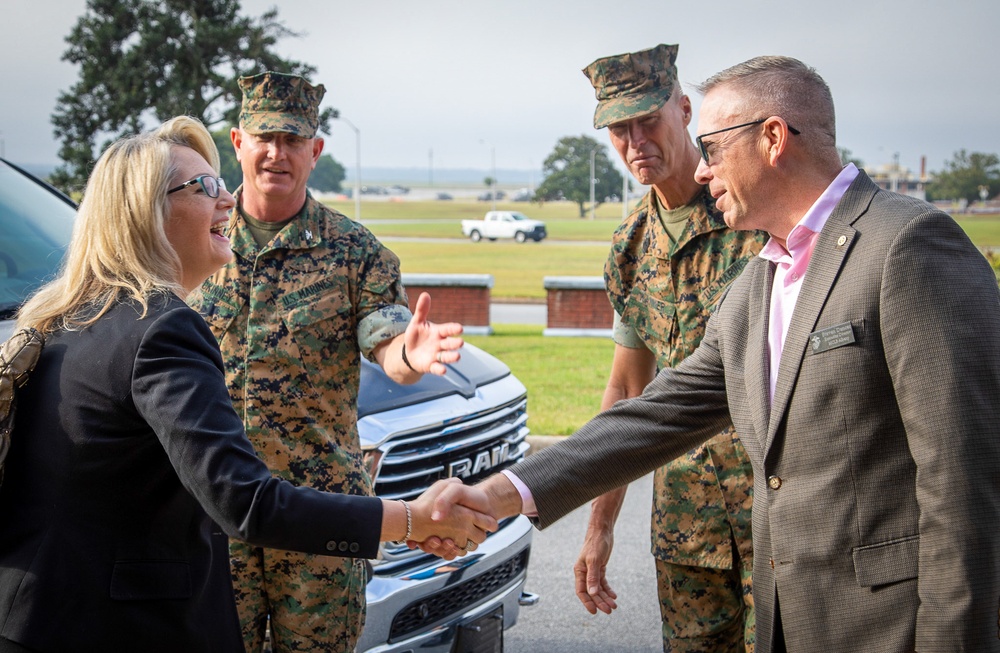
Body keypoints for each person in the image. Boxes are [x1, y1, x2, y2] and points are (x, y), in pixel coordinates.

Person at [432, 55, 1000, 653]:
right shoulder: (761, 281)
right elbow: (657, 413)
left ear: (773, 138)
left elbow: (965, 482)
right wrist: (497, 494)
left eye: (713, 147)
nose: (702, 172)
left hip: (885, 627)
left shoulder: (907, 245)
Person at [0, 116, 493, 653]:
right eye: (206, 186)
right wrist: (410, 520)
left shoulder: (58, 317)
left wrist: (404, 354)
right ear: (147, 210)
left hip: (43, 614)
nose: (226, 200)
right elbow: (247, 504)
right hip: (118, 622)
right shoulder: (162, 326)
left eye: (220, 183)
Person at [186, 71, 455, 653]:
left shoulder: (356, 252)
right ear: (237, 142)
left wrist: (411, 352)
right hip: (212, 513)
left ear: (315, 150)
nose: (276, 153)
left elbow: (388, 344)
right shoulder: (196, 238)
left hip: (320, 515)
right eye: (264, 138)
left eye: (292, 140)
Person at [576, 43, 764, 653]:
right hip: (687, 527)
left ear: (684, 110)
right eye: (618, 129)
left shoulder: (758, 213)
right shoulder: (631, 248)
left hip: (776, 517)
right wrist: (600, 525)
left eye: (647, 121)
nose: (635, 143)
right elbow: (629, 390)